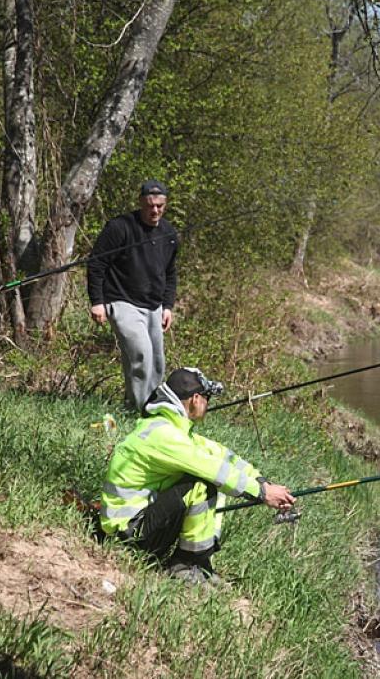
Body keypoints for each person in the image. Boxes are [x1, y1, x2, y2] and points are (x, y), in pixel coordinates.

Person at [99, 367, 296, 582]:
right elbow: (215, 471)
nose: (208, 404)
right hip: (128, 535)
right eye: (207, 398)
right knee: (203, 485)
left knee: (213, 478)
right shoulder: (165, 436)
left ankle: (200, 563)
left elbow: (222, 457)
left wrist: (262, 482)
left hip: (136, 525)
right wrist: (263, 493)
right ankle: (185, 565)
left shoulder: (172, 430)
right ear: (195, 399)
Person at [86, 180, 178, 412]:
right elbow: (96, 264)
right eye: (150, 205)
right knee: (141, 354)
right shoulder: (120, 227)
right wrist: (97, 302)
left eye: (160, 205)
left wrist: (167, 306)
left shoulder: (169, 233)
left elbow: (170, 272)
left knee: (157, 363)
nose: (155, 210)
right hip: (122, 301)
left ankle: (139, 407)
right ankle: (142, 411)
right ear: (141, 203)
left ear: (165, 205)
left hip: (154, 306)